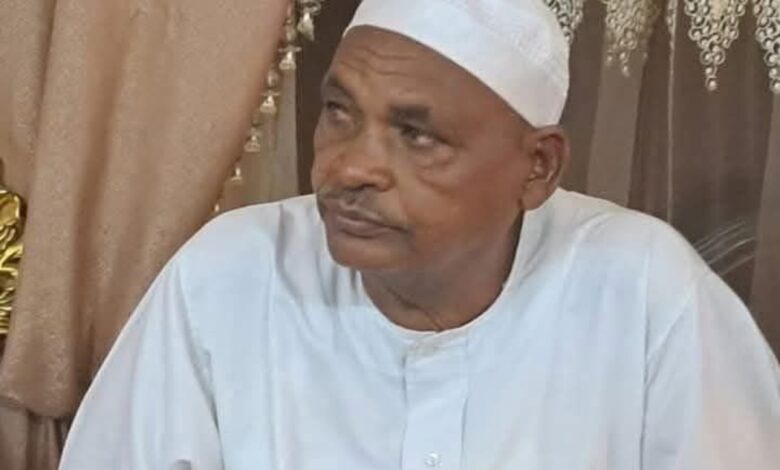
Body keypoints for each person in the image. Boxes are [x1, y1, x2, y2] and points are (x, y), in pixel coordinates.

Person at [59, 0, 780, 468]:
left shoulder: (645, 291)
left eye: (416, 134)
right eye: (339, 112)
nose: (349, 168)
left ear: (537, 166)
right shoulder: (229, 274)